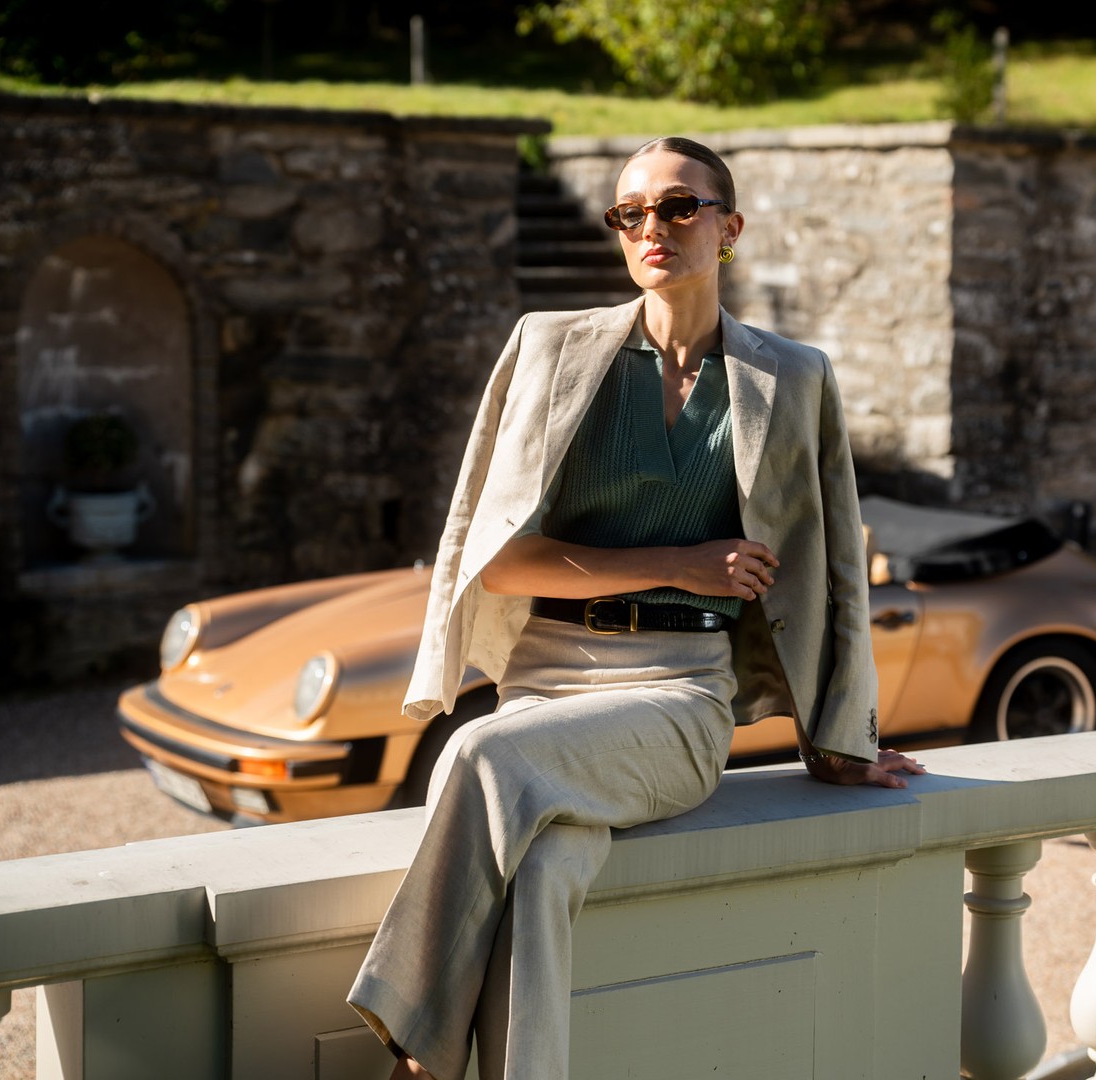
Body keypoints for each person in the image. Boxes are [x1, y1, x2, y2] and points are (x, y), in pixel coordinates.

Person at [347, 135, 924, 1080]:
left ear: (729, 229)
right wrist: (681, 562)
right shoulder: (549, 347)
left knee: (476, 749)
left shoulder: (793, 376)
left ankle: (412, 1049)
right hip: (545, 684)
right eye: (631, 212)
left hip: (680, 697)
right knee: (541, 878)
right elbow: (501, 563)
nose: (652, 225)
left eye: (679, 206)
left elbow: (832, 572)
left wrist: (842, 739)